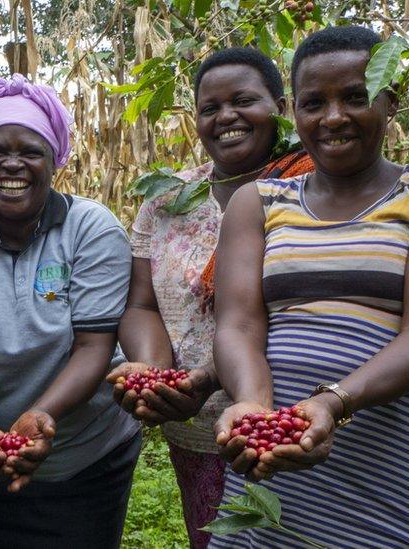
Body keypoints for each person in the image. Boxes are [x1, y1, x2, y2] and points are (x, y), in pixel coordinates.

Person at [211, 26, 409, 547]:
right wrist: (254, 405)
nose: (333, 117)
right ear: (293, 112)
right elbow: (239, 322)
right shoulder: (259, 201)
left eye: (355, 97)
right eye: (314, 102)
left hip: (398, 451)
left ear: (390, 100)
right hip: (275, 449)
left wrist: (335, 402)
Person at [0, 74, 141, 548]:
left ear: (53, 160)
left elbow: (93, 346)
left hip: (88, 453)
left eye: (30, 151)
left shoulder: (91, 228)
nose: (11, 164)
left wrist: (38, 418)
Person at [108, 47, 314, 547]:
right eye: (209, 108)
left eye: (243, 100)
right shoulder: (167, 202)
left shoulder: (311, 190)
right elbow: (141, 305)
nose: (226, 117)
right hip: (193, 428)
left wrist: (209, 378)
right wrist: (157, 373)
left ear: (280, 107)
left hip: (290, 421)